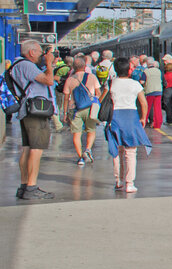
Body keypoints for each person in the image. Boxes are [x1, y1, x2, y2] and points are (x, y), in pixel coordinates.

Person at [10, 40, 58, 200]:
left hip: (27, 111)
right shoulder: (27, 65)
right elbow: (48, 81)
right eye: (38, 52)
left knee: (27, 148)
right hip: (35, 112)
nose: (41, 56)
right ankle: (31, 187)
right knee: (36, 149)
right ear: (31, 52)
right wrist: (50, 64)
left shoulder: (18, 64)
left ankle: (25, 185)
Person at [105, 57, 152, 193]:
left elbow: (103, 99)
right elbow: (143, 103)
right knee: (130, 152)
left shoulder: (110, 84)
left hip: (114, 117)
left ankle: (118, 180)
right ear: (129, 70)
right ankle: (129, 183)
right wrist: (143, 118)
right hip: (131, 117)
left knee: (117, 151)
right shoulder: (135, 84)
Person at [62, 55, 101, 165]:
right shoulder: (92, 77)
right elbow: (98, 93)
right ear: (85, 66)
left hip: (75, 110)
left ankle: (80, 158)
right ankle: (87, 150)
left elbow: (66, 98)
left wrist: (64, 113)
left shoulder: (70, 80)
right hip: (90, 108)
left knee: (76, 134)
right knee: (91, 130)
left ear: (73, 67)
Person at [141, 57, 164, 129]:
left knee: (147, 107)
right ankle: (158, 124)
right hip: (159, 91)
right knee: (158, 108)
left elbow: (142, 82)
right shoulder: (159, 71)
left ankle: (144, 122)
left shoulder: (146, 72)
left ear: (147, 63)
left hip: (150, 92)